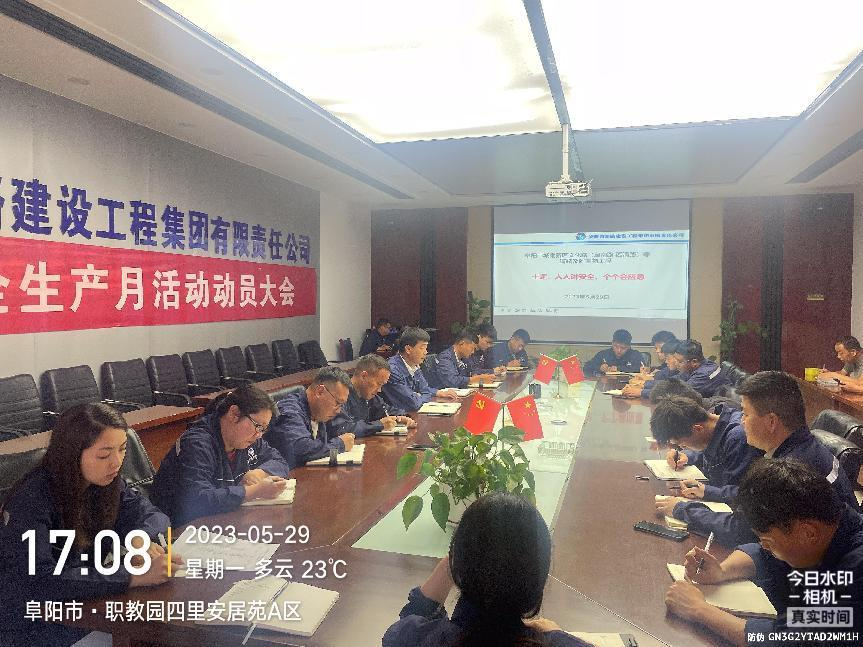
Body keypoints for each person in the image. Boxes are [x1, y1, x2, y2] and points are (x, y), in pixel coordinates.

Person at [0, 403, 183, 646]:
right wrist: (131, 576)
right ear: (72, 453)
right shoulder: (32, 500)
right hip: (37, 624)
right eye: (104, 455)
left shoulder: (106, 483)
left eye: (122, 449)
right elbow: (40, 580)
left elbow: (154, 516)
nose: (116, 462)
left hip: (89, 607)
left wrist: (138, 538)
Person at [665, 460, 863, 646]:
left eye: (768, 542)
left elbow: (789, 638)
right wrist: (722, 571)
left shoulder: (856, 572)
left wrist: (699, 609)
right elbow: (765, 555)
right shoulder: (825, 525)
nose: (765, 547)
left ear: (809, 533)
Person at [383, 492, 591, 647]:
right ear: (540, 576)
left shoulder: (410, 638)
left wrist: (456, 557)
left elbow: (411, 621)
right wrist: (557, 635)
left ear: (457, 564)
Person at [152, 385, 291, 525]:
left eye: (263, 429)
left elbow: (279, 460)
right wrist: (254, 491)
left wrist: (260, 473)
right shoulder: (196, 444)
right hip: (181, 529)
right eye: (258, 426)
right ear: (234, 413)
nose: (259, 435)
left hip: (224, 520)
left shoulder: (247, 439)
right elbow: (198, 499)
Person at [651, 395, 763, 535]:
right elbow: (709, 450)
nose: (681, 447)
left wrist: (707, 491)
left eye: (681, 444)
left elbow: (744, 495)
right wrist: (688, 456)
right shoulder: (711, 420)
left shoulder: (738, 439)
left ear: (697, 429)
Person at [265, 367, 357, 469]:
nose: (338, 411)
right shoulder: (290, 410)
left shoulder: (319, 411)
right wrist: (340, 445)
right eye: (337, 403)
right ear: (320, 392)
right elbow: (301, 450)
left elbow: (343, 429)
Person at [330, 354, 417, 437]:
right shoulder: (340, 394)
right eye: (378, 384)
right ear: (364, 376)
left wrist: (401, 417)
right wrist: (379, 425)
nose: (379, 390)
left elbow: (386, 410)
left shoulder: (369, 394)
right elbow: (343, 429)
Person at [382, 327, 458, 411]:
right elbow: (413, 403)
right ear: (408, 349)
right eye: (422, 348)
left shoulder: (414, 364)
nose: (426, 352)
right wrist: (420, 395)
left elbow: (425, 389)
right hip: (399, 416)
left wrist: (437, 393)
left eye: (426, 348)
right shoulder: (392, 370)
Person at [426, 331, 498, 389]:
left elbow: (472, 371)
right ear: (462, 344)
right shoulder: (445, 358)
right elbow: (452, 381)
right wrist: (476, 379)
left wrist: (486, 376)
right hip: (440, 396)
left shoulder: (464, 357)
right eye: (472, 348)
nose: (473, 352)